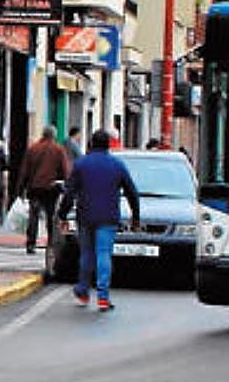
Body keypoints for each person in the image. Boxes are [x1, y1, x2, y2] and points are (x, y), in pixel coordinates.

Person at [58, 129, 141, 312]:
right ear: (108, 145)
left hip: (85, 216)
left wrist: (62, 215)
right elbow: (132, 192)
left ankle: (83, 290)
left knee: (86, 254)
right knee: (104, 254)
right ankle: (103, 297)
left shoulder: (81, 164)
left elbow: (69, 193)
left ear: (91, 144)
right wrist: (135, 217)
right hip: (108, 217)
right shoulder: (117, 165)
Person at [16, 125, 71, 255]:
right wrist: (67, 185)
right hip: (51, 188)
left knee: (33, 215)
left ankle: (31, 243)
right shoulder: (59, 149)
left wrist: (20, 189)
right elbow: (65, 170)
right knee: (51, 216)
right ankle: (51, 242)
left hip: (34, 188)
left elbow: (24, 171)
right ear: (54, 135)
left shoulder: (32, 149)